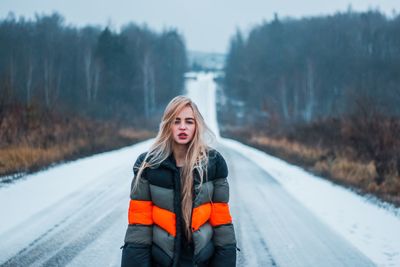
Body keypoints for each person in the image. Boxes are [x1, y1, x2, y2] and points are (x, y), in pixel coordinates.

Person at [121, 95, 237, 267]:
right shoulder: (148, 165)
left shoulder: (213, 163)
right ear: (168, 125)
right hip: (161, 262)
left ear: (197, 125)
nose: (183, 127)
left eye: (189, 121)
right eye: (176, 121)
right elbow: (139, 227)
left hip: (201, 261)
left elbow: (222, 224)